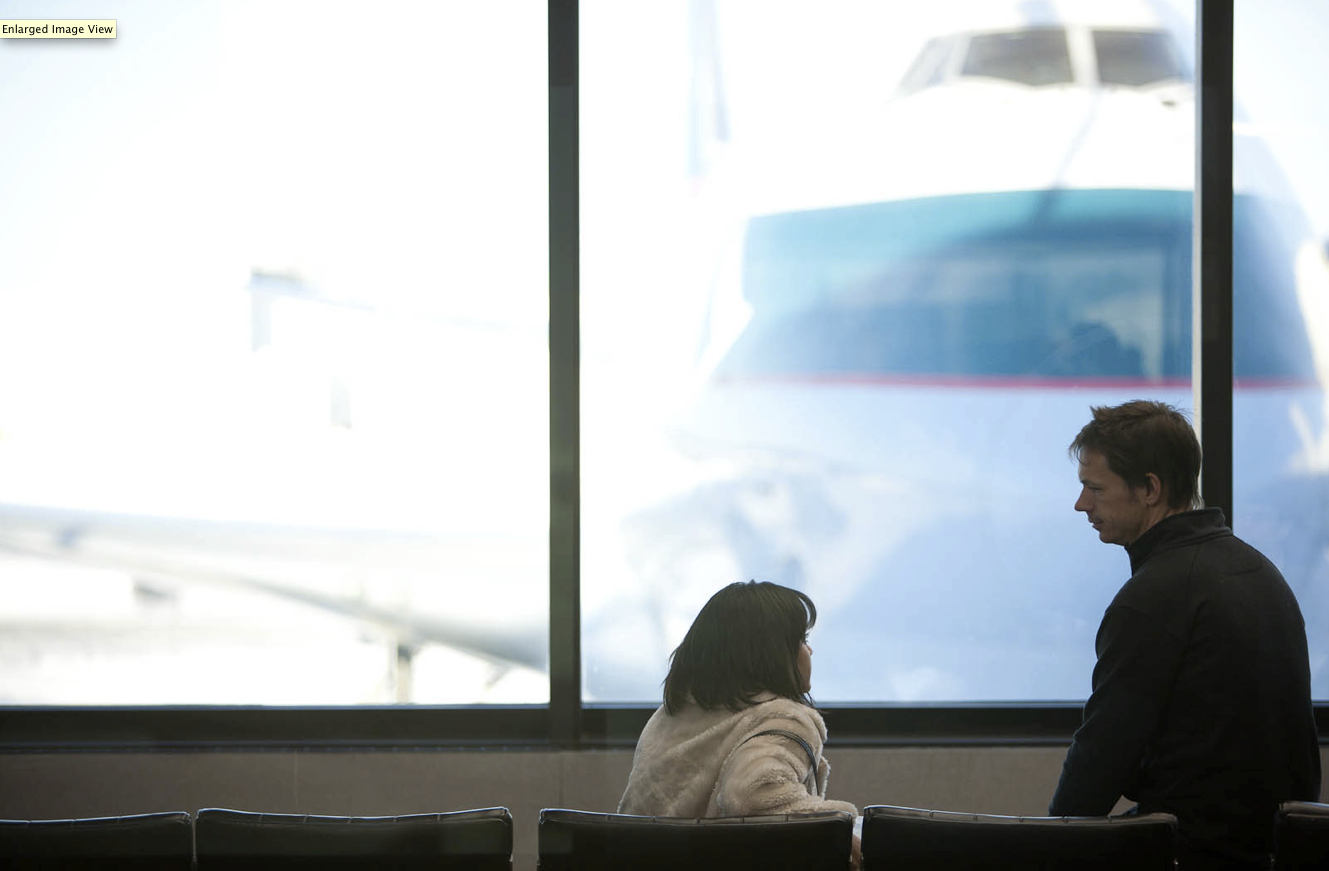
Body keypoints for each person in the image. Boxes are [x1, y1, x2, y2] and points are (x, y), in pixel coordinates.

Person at [1049, 400, 1321, 870]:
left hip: (1189, 852)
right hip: (1278, 851)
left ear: (1150, 489)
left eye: (1095, 488)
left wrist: (1047, 849)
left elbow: (1102, 756)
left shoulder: (1154, 597)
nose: (1081, 504)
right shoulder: (1258, 571)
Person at [618, 580, 860, 864]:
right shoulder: (783, 719)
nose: (810, 651)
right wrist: (839, 829)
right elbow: (753, 794)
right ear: (772, 653)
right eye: (803, 640)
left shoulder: (670, 715)